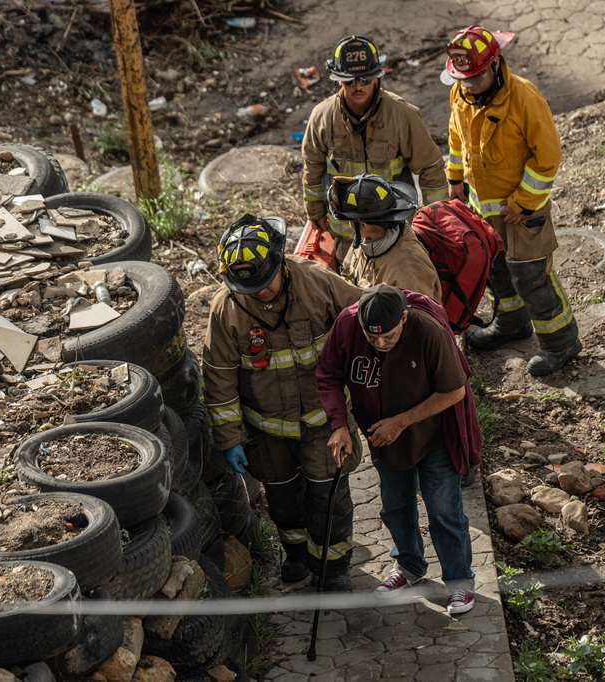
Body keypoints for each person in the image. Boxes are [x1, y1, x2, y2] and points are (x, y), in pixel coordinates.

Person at [203, 214, 364, 590]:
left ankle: (333, 568)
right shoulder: (226, 310)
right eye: (249, 288)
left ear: (279, 263)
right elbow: (219, 378)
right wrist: (230, 439)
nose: (259, 293)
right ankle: (297, 557)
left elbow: (362, 315)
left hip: (324, 424)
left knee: (329, 498)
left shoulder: (316, 282)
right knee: (284, 501)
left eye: (264, 283)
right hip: (268, 432)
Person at [316, 285, 482, 615]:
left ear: (404, 319)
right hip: (385, 438)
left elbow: (454, 391)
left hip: (433, 436)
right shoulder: (347, 325)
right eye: (372, 337)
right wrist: (339, 424)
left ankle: (459, 582)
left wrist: (401, 422)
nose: (380, 343)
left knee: (443, 512)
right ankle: (408, 566)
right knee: (395, 507)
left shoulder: (429, 331)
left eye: (388, 336)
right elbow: (328, 374)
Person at [443, 25, 582, 376]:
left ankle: (561, 342)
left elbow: (547, 158)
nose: (469, 85)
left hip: (523, 211)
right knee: (495, 269)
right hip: (483, 208)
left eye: (476, 78)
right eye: (463, 79)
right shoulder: (460, 93)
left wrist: (523, 202)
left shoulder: (523, 98)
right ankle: (512, 323)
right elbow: (457, 138)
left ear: (495, 64)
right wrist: (455, 178)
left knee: (531, 275)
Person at [302, 35, 448, 263]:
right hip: (347, 235)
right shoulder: (322, 117)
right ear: (338, 81)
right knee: (352, 283)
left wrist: (433, 221)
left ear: (377, 77)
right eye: (349, 81)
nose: (358, 86)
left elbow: (431, 166)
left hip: (394, 230)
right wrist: (315, 211)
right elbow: (312, 168)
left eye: (365, 79)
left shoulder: (402, 115)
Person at [327, 173, 442, 300]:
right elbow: (348, 274)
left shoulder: (409, 269)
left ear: (364, 225)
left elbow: (418, 311)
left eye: (351, 221)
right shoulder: (365, 242)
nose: (351, 225)